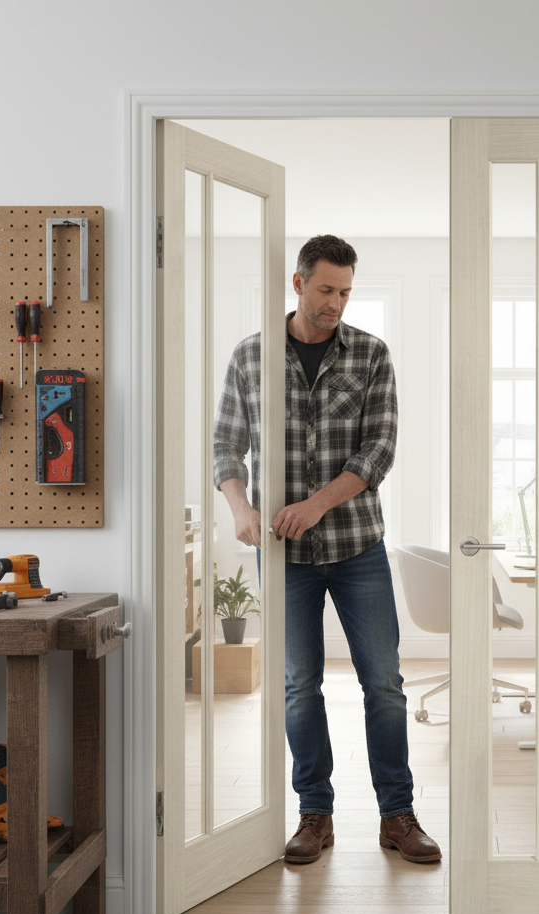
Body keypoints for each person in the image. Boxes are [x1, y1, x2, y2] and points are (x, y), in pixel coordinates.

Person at [213, 234, 440, 866]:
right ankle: (316, 816)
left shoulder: (371, 354)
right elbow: (226, 448)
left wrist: (315, 504)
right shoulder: (251, 357)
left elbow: (379, 450)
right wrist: (240, 508)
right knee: (298, 687)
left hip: (357, 545)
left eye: (344, 291)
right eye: (325, 290)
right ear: (298, 284)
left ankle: (397, 815)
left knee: (385, 685)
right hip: (284, 558)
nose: (335, 302)